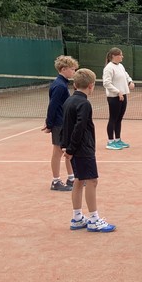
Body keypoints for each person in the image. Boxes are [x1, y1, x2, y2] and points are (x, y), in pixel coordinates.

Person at [61, 68, 116, 232]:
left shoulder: (69, 101)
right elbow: (79, 127)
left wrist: (66, 146)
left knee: (79, 180)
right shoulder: (84, 104)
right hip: (83, 149)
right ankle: (94, 219)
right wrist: (71, 149)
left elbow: (64, 126)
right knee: (92, 181)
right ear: (91, 85)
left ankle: (77, 218)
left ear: (75, 84)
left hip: (75, 149)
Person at [42, 55, 78, 191]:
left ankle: (71, 178)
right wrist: (49, 124)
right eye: (72, 69)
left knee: (67, 150)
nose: (74, 72)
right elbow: (53, 106)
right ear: (63, 69)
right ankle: (56, 181)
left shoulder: (62, 83)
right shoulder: (59, 86)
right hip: (59, 124)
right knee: (57, 152)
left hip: (64, 122)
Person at [102, 47, 135, 150]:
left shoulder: (120, 66)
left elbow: (126, 75)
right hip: (114, 97)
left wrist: (130, 81)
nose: (122, 56)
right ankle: (110, 142)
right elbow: (106, 83)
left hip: (123, 95)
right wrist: (117, 92)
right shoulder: (109, 68)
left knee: (119, 119)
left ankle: (117, 139)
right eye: (120, 55)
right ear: (113, 56)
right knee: (113, 118)